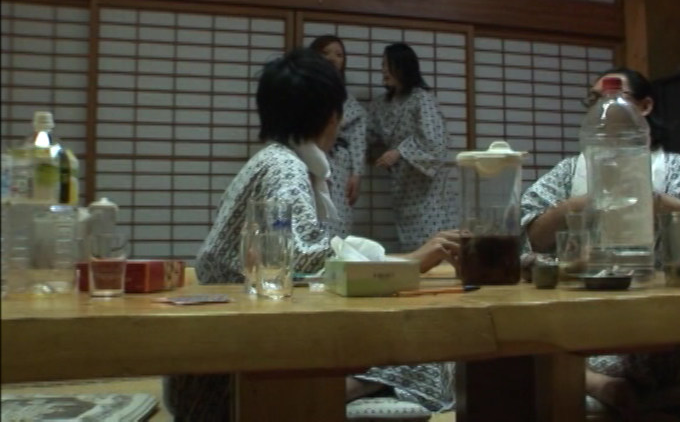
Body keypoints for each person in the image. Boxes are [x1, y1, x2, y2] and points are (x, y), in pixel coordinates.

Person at [164, 49, 459, 421]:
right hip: (231, 375)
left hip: (219, 356)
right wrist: (411, 263)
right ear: (331, 116)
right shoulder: (285, 167)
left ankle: (330, 388)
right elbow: (306, 263)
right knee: (423, 347)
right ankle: (323, 392)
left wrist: (403, 262)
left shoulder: (274, 159)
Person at [520, 67, 680, 417]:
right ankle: (617, 389)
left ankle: (596, 384)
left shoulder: (674, 167)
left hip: (654, 314)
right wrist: (581, 202)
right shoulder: (571, 171)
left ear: (644, 107)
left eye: (614, 97)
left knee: (650, 350)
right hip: (575, 309)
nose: (601, 106)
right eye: (594, 99)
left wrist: (652, 199)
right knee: (507, 340)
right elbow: (528, 233)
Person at [367, 42, 456, 252]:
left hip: (427, 190)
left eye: (389, 65)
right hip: (402, 187)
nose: (384, 70)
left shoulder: (421, 99)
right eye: (382, 65)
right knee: (410, 249)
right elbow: (370, 136)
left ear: (403, 67)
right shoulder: (380, 104)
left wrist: (399, 152)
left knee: (434, 244)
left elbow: (435, 143)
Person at [310, 35, 367, 239]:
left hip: (340, 164)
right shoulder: (301, 90)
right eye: (325, 53)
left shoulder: (348, 100)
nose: (332, 58)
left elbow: (358, 138)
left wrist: (356, 174)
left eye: (339, 55)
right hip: (308, 158)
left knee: (338, 219)